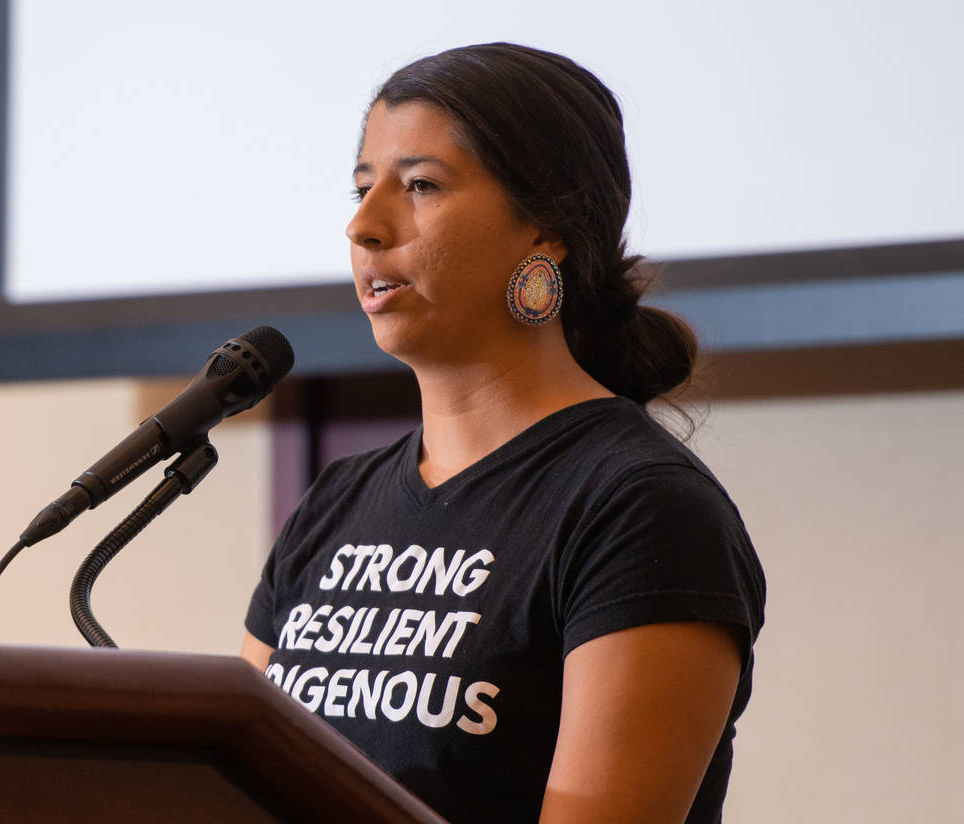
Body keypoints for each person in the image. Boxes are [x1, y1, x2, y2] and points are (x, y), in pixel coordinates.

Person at [240, 43, 765, 823]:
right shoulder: (338, 502)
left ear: (547, 228)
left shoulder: (640, 510)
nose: (364, 226)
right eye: (361, 187)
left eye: (420, 185)